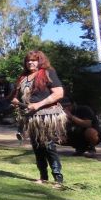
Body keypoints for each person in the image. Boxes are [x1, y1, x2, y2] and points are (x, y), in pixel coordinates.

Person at [11, 50, 67, 188]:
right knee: (37, 147)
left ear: (40, 60)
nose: (30, 62)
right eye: (28, 60)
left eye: (34, 60)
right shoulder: (23, 77)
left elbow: (59, 93)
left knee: (48, 146)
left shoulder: (48, 72)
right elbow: (17, 96)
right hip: (31, 117)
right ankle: (43, 176)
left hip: (46, 115)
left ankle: (58, 179)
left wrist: (38, 105)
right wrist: (15, 100)